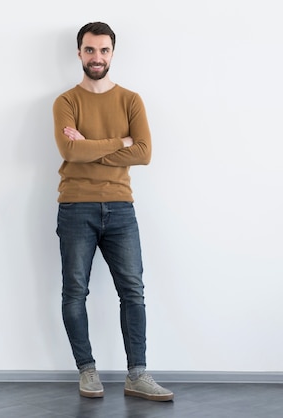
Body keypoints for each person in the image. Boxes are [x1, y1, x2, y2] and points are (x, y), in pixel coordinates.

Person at [53, 21, 173, 402]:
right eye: (90, 50)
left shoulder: (131, 100)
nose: (97, 57)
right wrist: (120, 141)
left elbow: (144, 153)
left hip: (121, 208)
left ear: (112, 53)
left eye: (104, 50)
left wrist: (92, 145)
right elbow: (70, 152)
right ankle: (87, 371)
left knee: (133, 292)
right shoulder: (66, 102)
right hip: (75, 206)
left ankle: (137, 374)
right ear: (79, 53)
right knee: (75, 292)